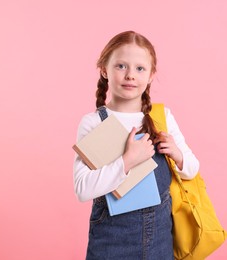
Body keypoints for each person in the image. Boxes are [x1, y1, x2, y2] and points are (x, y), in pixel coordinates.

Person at [73, 31, 199, 259]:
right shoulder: (94, 123)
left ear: (151, 75)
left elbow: (192, 168)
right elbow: (82, 189)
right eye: (121, 66)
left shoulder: (163, 117)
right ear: (104, 70)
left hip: (160, 240)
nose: (130, 75)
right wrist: (127, 161)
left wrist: (177, 155)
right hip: (111, 242)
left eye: (140, 68)